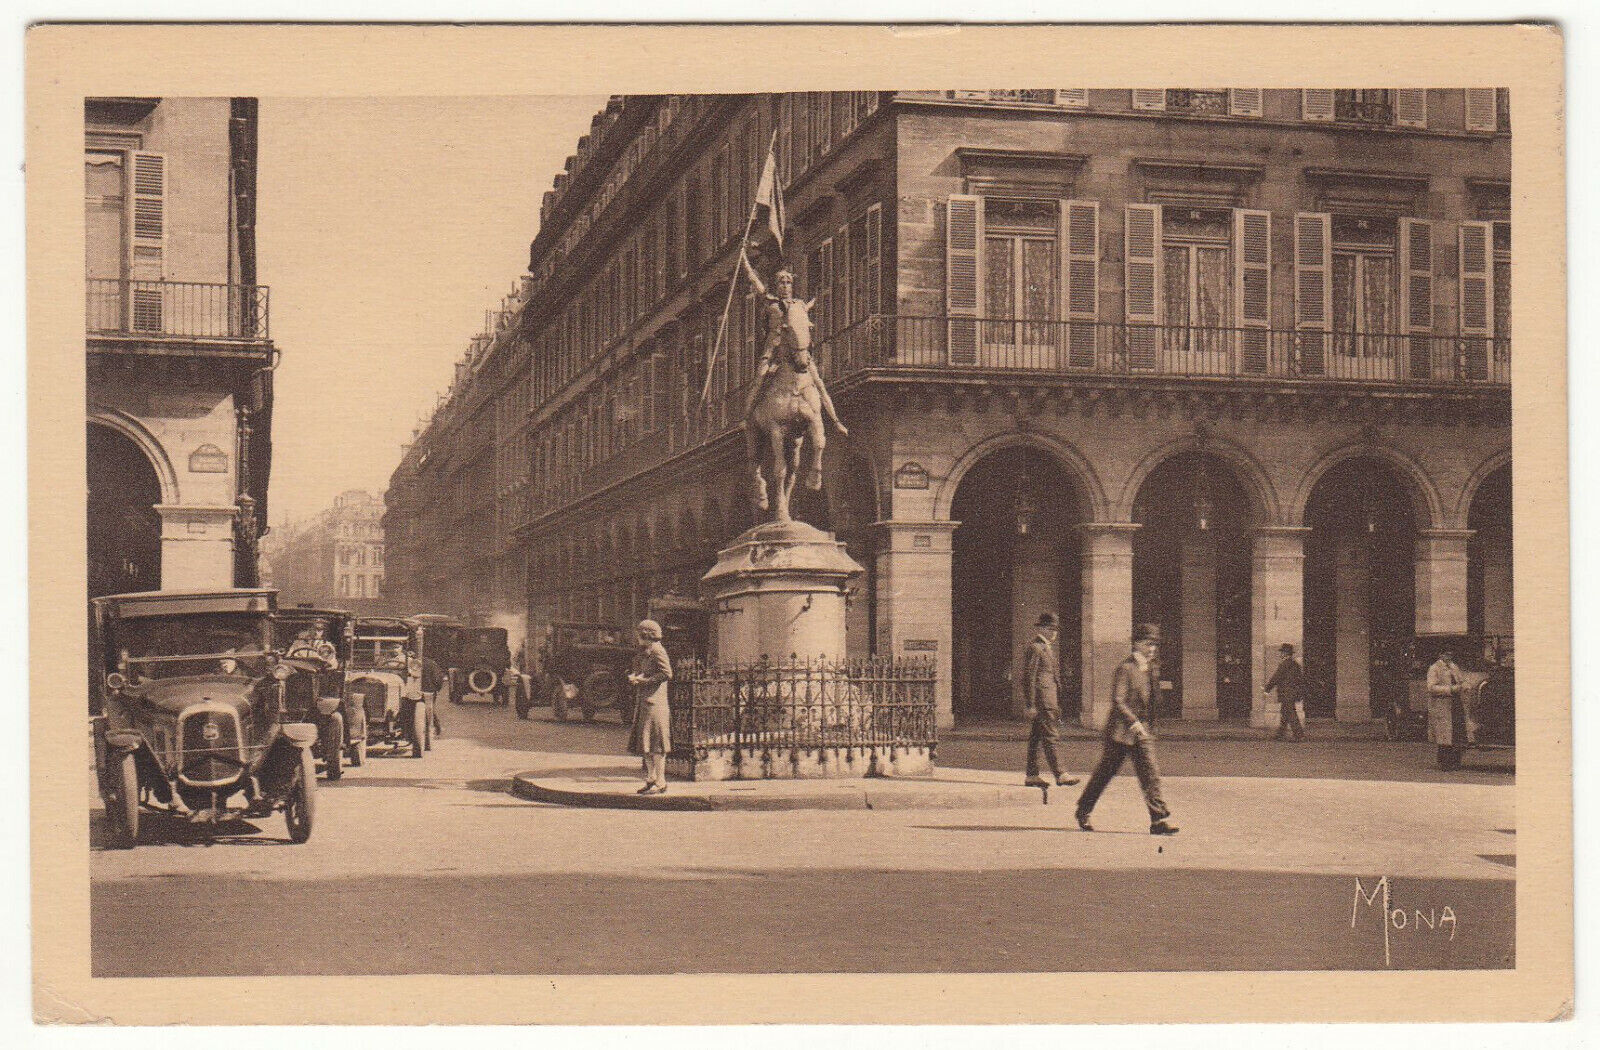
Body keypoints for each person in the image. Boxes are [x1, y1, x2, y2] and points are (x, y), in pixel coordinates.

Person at [1075, 623, 1179, 835]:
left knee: (1150, 774)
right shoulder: (1126, 668)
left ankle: (1158, 820)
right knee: (1105, 773)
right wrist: (1134, 722)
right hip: (1120, 732)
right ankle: (1083, 810)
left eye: (1154, 645)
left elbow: (1153, 701)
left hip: (1142, 732)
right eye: (1148, 644)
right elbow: (1118, 701)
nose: (1152, 649)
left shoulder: (1150, 669)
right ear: (1137, 644)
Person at [740, 254, 847, 436]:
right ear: (776, 285)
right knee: (760, 378)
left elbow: (808, 312)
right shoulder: (770, 302)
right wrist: (745, 263)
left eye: (788, 282)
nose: (785, 286)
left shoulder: (799, 305)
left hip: (797, 350)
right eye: (781, 283)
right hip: (774, 349)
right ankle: (746, 417)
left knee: (818, 382)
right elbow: (755, 282)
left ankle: (836, 421)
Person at [1022, 612, 1080, 788]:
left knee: (1036, 737)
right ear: (1040, 628)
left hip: (1048, 700)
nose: (1054, 633)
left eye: (1055, 629)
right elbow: (1029, 677)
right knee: (1051, 735)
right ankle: (1061, 774)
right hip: (1043, 701)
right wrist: (1030, 704)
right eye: (1050, 629)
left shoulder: (1046, 647)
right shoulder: (1036, 648)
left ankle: (1032, 775)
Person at [627, 619, 674, 795]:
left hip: (656, 704)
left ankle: (661, 782)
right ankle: (651, 778)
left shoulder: (657, 651)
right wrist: (637, 677)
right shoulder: (646, 652)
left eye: (639, 634)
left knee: (656, 745)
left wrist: (644, 681)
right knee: (646, 745)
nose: (637, 637)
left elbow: (667, 673)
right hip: (645, 703)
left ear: (647, 635)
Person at [1264, 642, 1306, 741]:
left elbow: (1276, 677)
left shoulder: (1285, 664)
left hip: (1287, 693)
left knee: (1290, 714)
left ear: (1286, 653)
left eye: (1282, 652)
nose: (1281, 654)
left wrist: (1267, 689)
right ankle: (1280, 734)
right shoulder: (1294, 664)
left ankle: (1299, 735)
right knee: (1285, 713)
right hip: (1291, 693)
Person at [1427, 648, 1469, 744]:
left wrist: (1465, 686)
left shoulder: (1454, 667)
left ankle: (1455, 757)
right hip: (1442, 704)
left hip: (1456, 703)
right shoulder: (1434, 668)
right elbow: (1431, 688)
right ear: (1440, 655)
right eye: (1446, 654)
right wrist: (1450, 689)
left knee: (1457, 736)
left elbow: (1462, 680)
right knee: (1445, 739)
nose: (1449, 657)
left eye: (1450, 655)